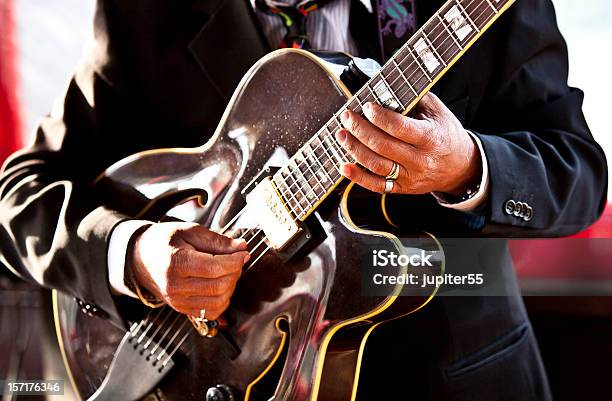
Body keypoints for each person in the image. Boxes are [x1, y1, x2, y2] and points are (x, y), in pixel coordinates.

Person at [0, 0, 607, 399]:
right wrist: (133, 254)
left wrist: (466, 167)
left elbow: (575, 174)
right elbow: (20, 194)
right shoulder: (148, 11)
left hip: (455, 377)